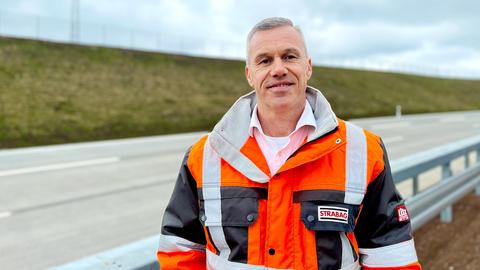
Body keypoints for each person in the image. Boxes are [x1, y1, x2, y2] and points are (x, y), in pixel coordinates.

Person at [157, 17, 421, 270]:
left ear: (308, 66)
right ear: (250, 74)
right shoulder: (204, 156)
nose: (278, 69)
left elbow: (390, 257)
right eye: (264, 60)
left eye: (289, 56)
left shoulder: (363, 151)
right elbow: (180, 251)